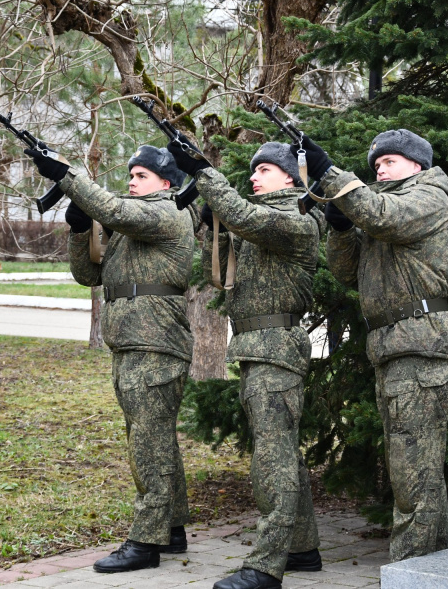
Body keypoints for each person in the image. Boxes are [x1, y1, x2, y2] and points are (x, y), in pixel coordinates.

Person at [295, 129, 448, 562]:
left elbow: (383, 215)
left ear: (417, 165)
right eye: (376, 164)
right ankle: (432, 570)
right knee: (415, 471)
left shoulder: (428, 197)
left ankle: (409, 573)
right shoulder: (385, 206)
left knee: (414, 474)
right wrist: (338, 228)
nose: (379, 169)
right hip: (397, 347)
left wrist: (326, 172)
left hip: (422, 344)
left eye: (389, 162)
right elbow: (349, 273)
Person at [25, 144, 195, 573]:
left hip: (154, 343)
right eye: (131, 175)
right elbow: (89, 276)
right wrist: (80, 229)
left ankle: (145, 542)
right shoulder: (133, 224)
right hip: (132, 345)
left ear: (166, 183)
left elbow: (116, 211)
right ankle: (171, 528)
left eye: (141, 176)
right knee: (152, 440)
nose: (132, 182)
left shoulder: (166, 213)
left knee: (148, 444)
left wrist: (68, 177)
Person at [169, 140, 321, 589]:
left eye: (264, 171)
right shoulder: (260, 222)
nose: (253, 177)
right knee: (280, 452)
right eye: (252, 171)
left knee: (272, 460)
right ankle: (303, 549)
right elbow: (218, 270)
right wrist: (213, 219)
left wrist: (204, 173)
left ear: (291, 178)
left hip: (276, 346)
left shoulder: (296, 217)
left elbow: (246, 216)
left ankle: (266, 565)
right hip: (257, 345)